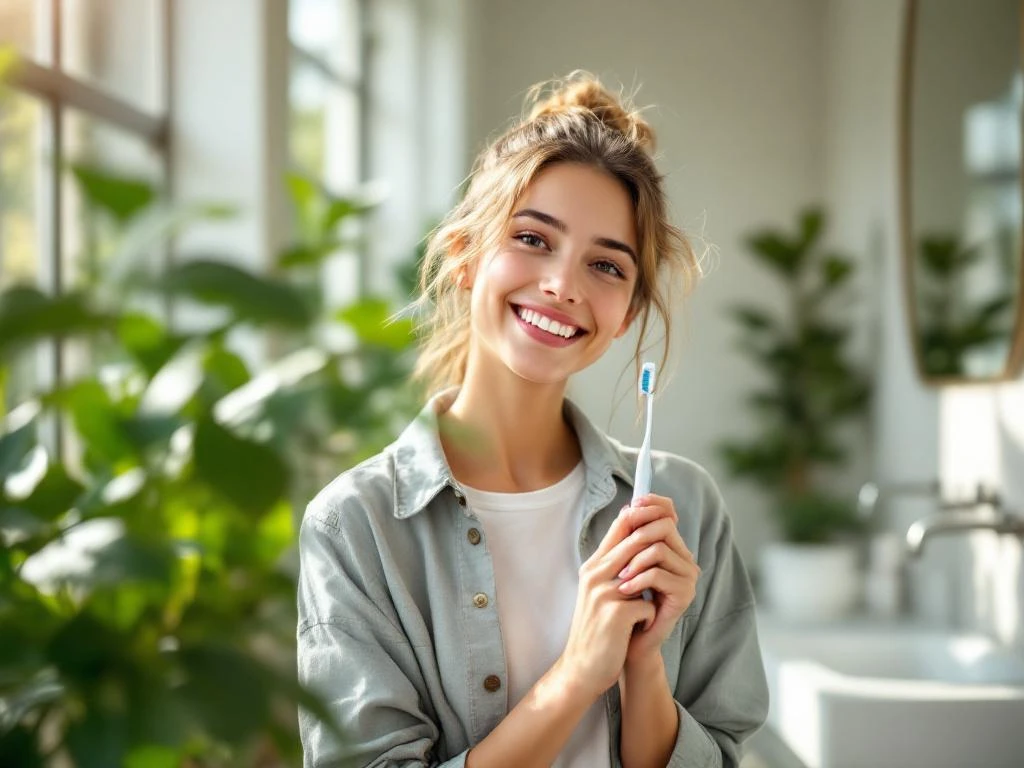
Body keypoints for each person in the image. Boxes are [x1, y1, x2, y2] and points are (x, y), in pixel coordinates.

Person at [297, 72, 769, 768]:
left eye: (607, 266)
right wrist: (578, 676)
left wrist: (644, 669)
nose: (564, 286)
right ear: (464, 256)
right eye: (532, 239)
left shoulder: (686, 509)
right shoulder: (357, 526)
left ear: (628, 314)